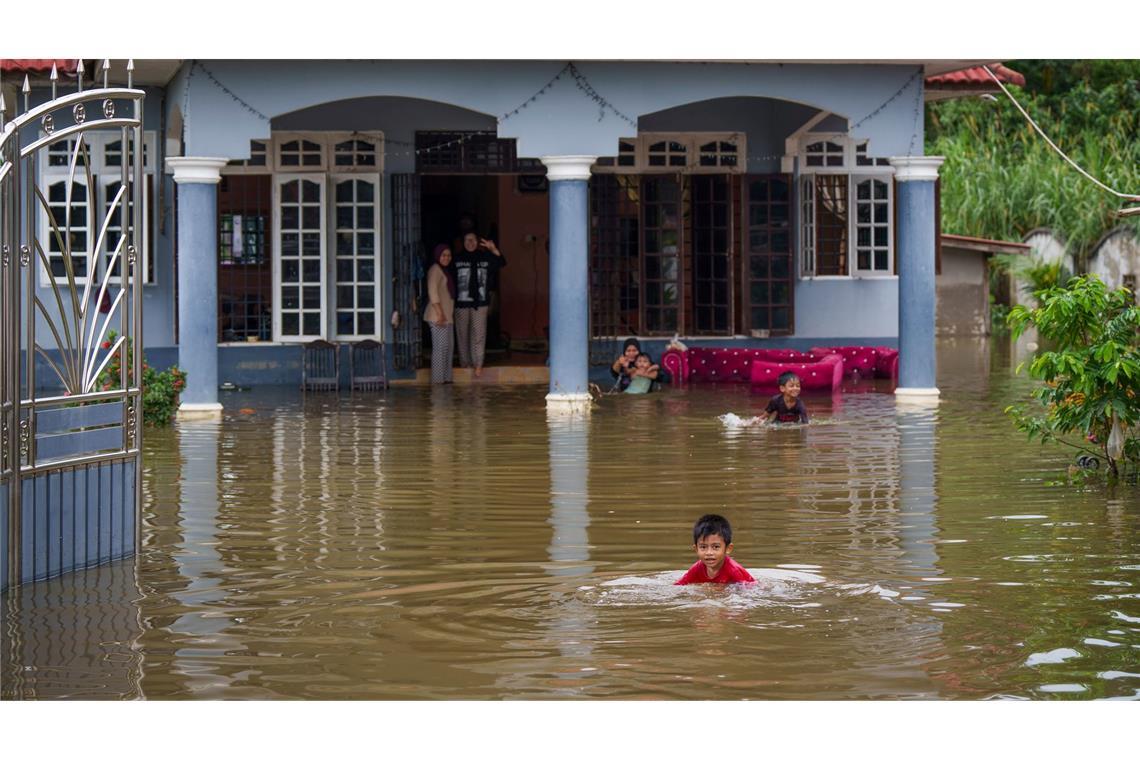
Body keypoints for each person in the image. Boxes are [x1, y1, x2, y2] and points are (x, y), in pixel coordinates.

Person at [453, 231, 506, 378]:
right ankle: (465, 364)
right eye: (467, 240)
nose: (470, 243)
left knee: (479, 334)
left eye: (473, 240)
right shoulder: (456, 259)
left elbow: (501, 262)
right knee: (462, 335)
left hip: (481, 303)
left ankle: (478, 364)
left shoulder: (485, 257)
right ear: (463, 243)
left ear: (477, 242)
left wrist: (492, 249)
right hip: (461, 304)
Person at [675, 514, 755, 585]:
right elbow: (678, 586)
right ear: (696, 549)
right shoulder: (697, 568)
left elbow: (749, 590)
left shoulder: (734, 571)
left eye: (716, 547)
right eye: (703, 547)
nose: (709, 552)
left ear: (728, 549)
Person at [424, 243, 456, 384]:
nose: (446, 258)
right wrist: (440, 314)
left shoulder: (445, 271)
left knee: (448, 349)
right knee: (440, 350)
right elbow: (433, 292)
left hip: (447, 317)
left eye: (449, 255)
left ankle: (446, 380)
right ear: (438, 256)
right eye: (443, 255)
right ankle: (437, 382)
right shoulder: (435, 270)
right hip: (438, 316)